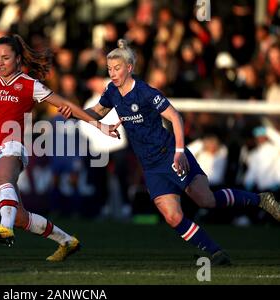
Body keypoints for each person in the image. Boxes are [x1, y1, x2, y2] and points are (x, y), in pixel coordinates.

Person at [65, 39, 280, 265]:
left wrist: (179, 151)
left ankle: (260, 200)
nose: (113, 73)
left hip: (169, 154)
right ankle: (216, 252)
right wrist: (75, 112)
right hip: (150, 166)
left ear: (130, 68)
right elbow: (97, 112)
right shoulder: (112, 91)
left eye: (117, 68)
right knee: (172, 216)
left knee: (205, 200)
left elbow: (175, 117)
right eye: (109, 69)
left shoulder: (146, 92)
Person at [0, 34, 119, 262]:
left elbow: (65, 104)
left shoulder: (30, 85)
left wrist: (99, 125)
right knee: (18, 217)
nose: (0, 63)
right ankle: (67, 241)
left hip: (13, 145)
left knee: (4, 181)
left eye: (6, 58)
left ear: (18, 59)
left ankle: (4, 228)